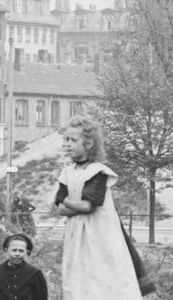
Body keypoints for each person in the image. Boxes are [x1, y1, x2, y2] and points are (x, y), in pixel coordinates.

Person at [52, 117, 145, 299]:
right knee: (78, 278)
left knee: (101, 278)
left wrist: (69, 202)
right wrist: (72, 203)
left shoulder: (98, 172)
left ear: (88, 143)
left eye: (73, 140)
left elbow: (88, 206)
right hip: (76, 235)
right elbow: (59, 208)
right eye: (66, 140)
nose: (68, 144)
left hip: (100, 233)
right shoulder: (67, 172)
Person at [0, 233, 49, 300]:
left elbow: (42, 297)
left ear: (26, 252)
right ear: (6, 250)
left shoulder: (35, 273)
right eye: (14, 250)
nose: (17, 254)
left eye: (21, 251)